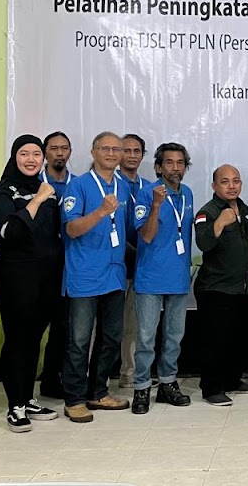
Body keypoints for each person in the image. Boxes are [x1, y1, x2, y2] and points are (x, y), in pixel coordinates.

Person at [0, 134, 63, 431]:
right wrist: (38, 199)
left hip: (47, 274)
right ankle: (15, 406)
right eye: (24, 153)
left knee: (34, 338)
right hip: (16, 274)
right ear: (14, 157)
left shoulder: (47, 189)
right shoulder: (4, 190)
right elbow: (11, 232)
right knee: (18, 338)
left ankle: (28, 398)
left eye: (36, 154)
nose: (30, 159)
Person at [60, 132, 131, 422]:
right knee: (79, 341)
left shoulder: (123, 186)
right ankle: (74, 399)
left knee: (111, 337)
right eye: (106, 148)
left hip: (114, 273)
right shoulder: (78, 186)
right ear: (93, 151)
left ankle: (98, 392)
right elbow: (71, 229)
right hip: (85, 274)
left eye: (117, 149)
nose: (112, 153)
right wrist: (101, 211)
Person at [132, 142, 196, 413]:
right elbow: (146, 236)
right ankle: (141, 387)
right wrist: (156, 206)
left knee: (174, 336)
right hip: (150, 277)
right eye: (169, 163)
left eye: (180, 163)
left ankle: (168, 383)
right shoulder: (147, 193)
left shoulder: (187, 193)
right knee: (146, 337)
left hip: (178, 276)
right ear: (159, 167)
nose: (175, 168)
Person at [193, 164, 248, 406]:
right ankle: (211, 388)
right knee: (214, 340)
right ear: (214, 186)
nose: (232, 186)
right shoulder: (208, 212)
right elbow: (203, 243)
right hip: (215, 287)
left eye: (236, 181)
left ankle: (232, 380)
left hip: (240, 287)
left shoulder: (244, 209)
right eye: (225, 182)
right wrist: (220, 223)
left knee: (236, 338)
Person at [111, 134, 149, 389]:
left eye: (137, 151)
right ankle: (96, 377)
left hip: (141, 266)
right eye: (127, 150)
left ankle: (129, 374)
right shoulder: (110, 184)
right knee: (106, 325)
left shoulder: (148, 187)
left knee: (134, 326)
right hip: (114, 264)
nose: (132, 155)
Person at [38, 130, 73, 399]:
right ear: (45, 153)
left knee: (63, 328)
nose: (59, 153)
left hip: (69, 264)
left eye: (64, 148)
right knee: (34, 327)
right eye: (53, 148)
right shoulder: (35, 183)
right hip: (39, 265)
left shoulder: (78, 184)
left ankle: (52, 380)